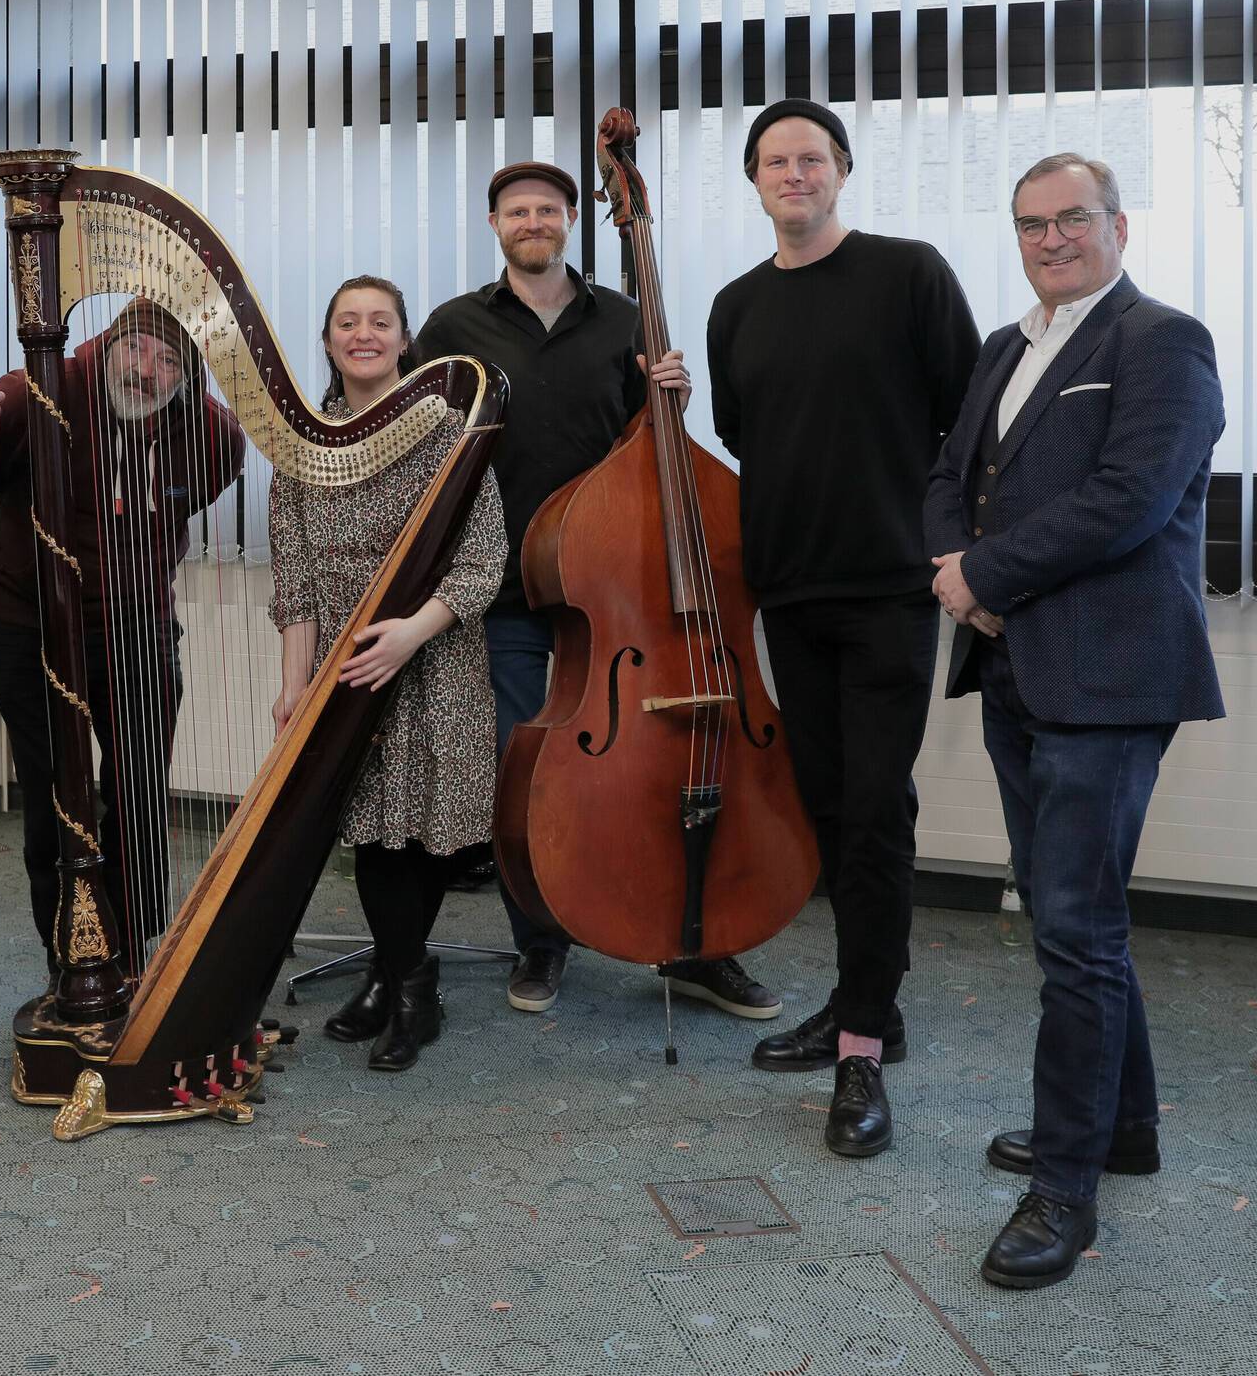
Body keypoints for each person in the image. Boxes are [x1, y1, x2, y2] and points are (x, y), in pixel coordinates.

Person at [926, 153, 1223, 1289]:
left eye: (1070, 220)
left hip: (1108, 673)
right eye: (1029, 225)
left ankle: (1063, 1189)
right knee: (1078, 918)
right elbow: (948, 472)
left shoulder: (1161, 340)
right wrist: (954, 565)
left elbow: (1129, 500)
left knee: (1071, 931)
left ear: (1116, 225)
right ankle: (1122, 1128)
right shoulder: (1007, 347)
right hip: (1011, 671)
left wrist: (984, 576)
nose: (1050, 240)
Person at [414, 161, 780, 1022]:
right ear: (495, 224)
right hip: (505, 575)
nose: (532, 221)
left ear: (574, 219)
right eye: (516, 210)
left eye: (547, 208)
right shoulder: (452, 325)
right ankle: (541, 936)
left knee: (663, 756)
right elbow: (425, 442)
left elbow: (649, 447)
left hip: (621, 587)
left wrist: (669, 407)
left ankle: (698, 939)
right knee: (528, 767)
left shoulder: (623, 317)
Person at [705, 100, 980, 1159]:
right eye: (774, 159)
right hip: (789, 591)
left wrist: (951, 551)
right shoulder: (733, 307)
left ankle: (860, 1047)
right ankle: (871, 1003)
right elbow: (744, 432)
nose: (792, 172)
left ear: (841, 169)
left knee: (870, 812)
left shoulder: (907, 272)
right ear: (754, 178)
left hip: (888, 592)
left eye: (809, 156)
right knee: (828, 809)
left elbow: (965, 421)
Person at [270, 277, 505, 1071]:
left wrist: (409, 633)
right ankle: (401, 973)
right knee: (369, 828)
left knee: (419, 833)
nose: (363, 333)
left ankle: (405, 982)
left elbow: (483, 559)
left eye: (380, 321)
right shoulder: (301, 441)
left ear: (407, 339)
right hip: (343, 667)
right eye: (347, 321)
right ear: (329, 339)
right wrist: (292, 684)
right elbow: (295, 579)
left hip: (431, 653)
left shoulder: (448, 430)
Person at [0, 297, 244, 980]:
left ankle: (131, 952)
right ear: (109, 344)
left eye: (168, 363)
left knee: (138, 791)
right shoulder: (34, 393)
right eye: (136, 350)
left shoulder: (212, 433)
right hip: (28, 628)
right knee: (52, 797)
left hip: (138, 627)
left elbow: (193, 494)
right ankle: (70, 954)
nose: (147, 371)